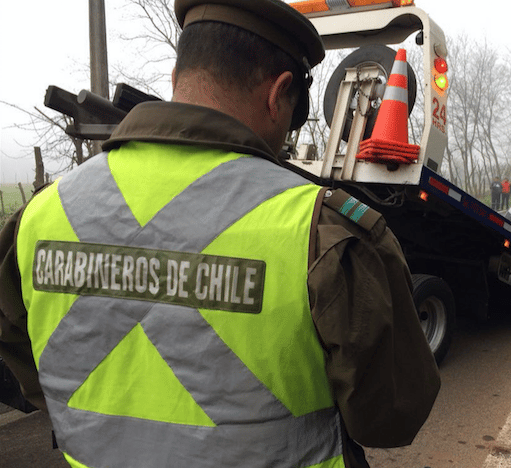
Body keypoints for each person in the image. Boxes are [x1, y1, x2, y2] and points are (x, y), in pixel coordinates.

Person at [0, 1, 440, 467]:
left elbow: (26, 358)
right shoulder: (322, 230)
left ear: (175, 78)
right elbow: (391, 417)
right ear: (279, 94)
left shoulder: (39, 216)